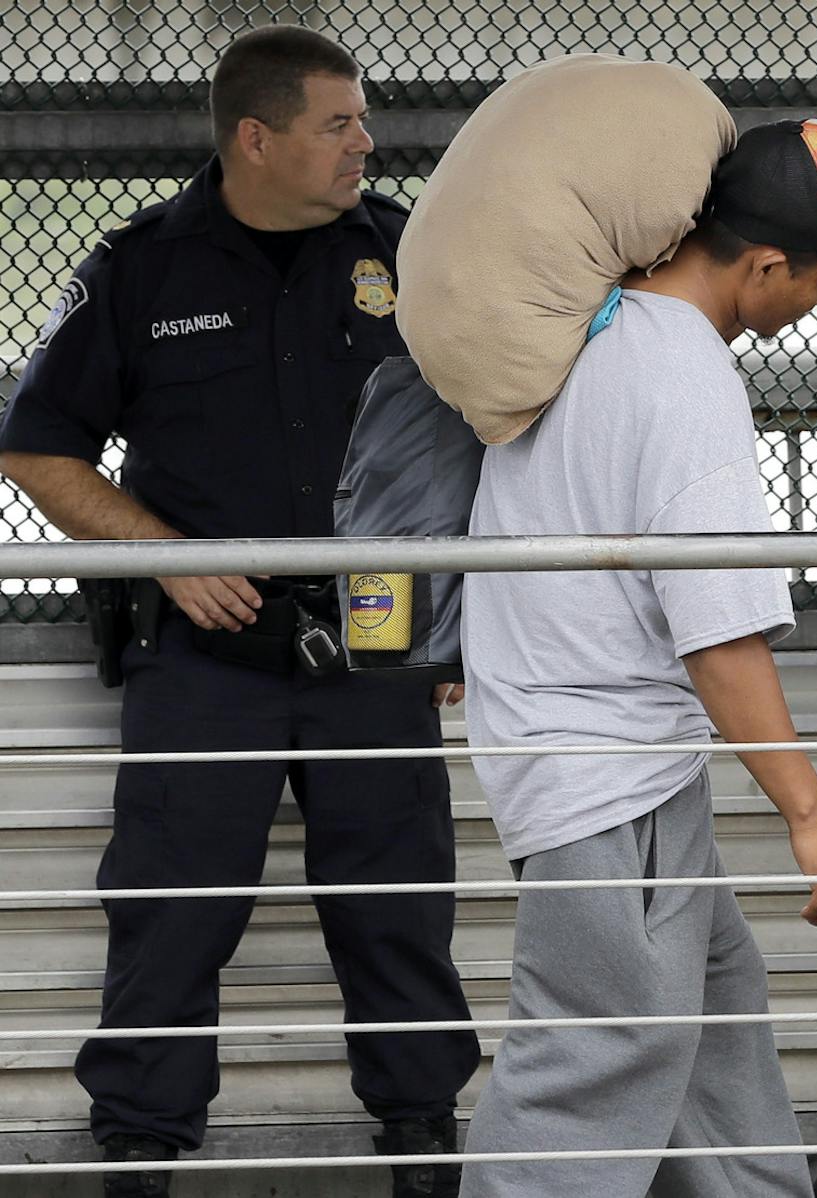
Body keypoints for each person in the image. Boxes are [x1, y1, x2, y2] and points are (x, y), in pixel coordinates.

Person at [0, 26, 477, 1198]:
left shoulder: (415, 253)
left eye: (364, 120)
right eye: (339, 123)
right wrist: (167, 558)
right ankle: (142, 1149)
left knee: (395, 892)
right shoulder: (142, 267)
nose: (367, 141)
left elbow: (492, 432)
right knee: (171, 895)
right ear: (255, 139)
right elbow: (36, 447)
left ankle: (422, 1136)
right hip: (204, 646)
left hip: (376, 632)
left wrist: (456, 604)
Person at [456, 118, 817, 1198]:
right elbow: (718, 631)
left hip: (602, 764)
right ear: (762, 264)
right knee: (594, 1062)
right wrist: (810, 814)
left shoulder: (597, 325)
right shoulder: (687, 381)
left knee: (712, 1021)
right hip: (606, 779)